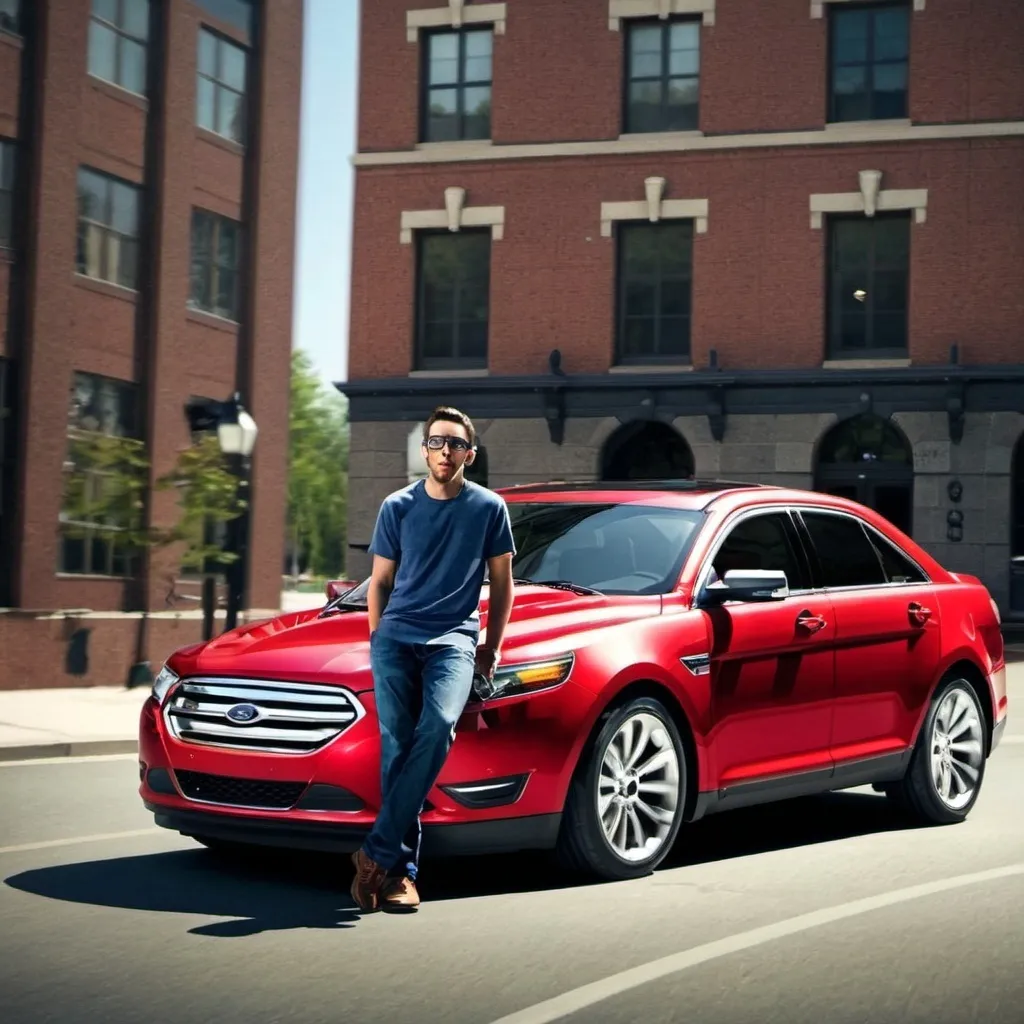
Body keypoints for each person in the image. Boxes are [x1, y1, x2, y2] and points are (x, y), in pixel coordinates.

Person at [350, 405, 516, 912]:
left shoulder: (489, 508)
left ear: (471, 453)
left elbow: (504, 583)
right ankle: (399, 875)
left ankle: (374, 851)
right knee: (397, 746)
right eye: (438, 442)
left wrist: (493, 645)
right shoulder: (396, 507)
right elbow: (379, 582)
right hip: (395, 639)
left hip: (454, 640)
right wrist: (379, 638)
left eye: (457, 444)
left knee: (440, 724)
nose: (447, 452)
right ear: (424, 449)